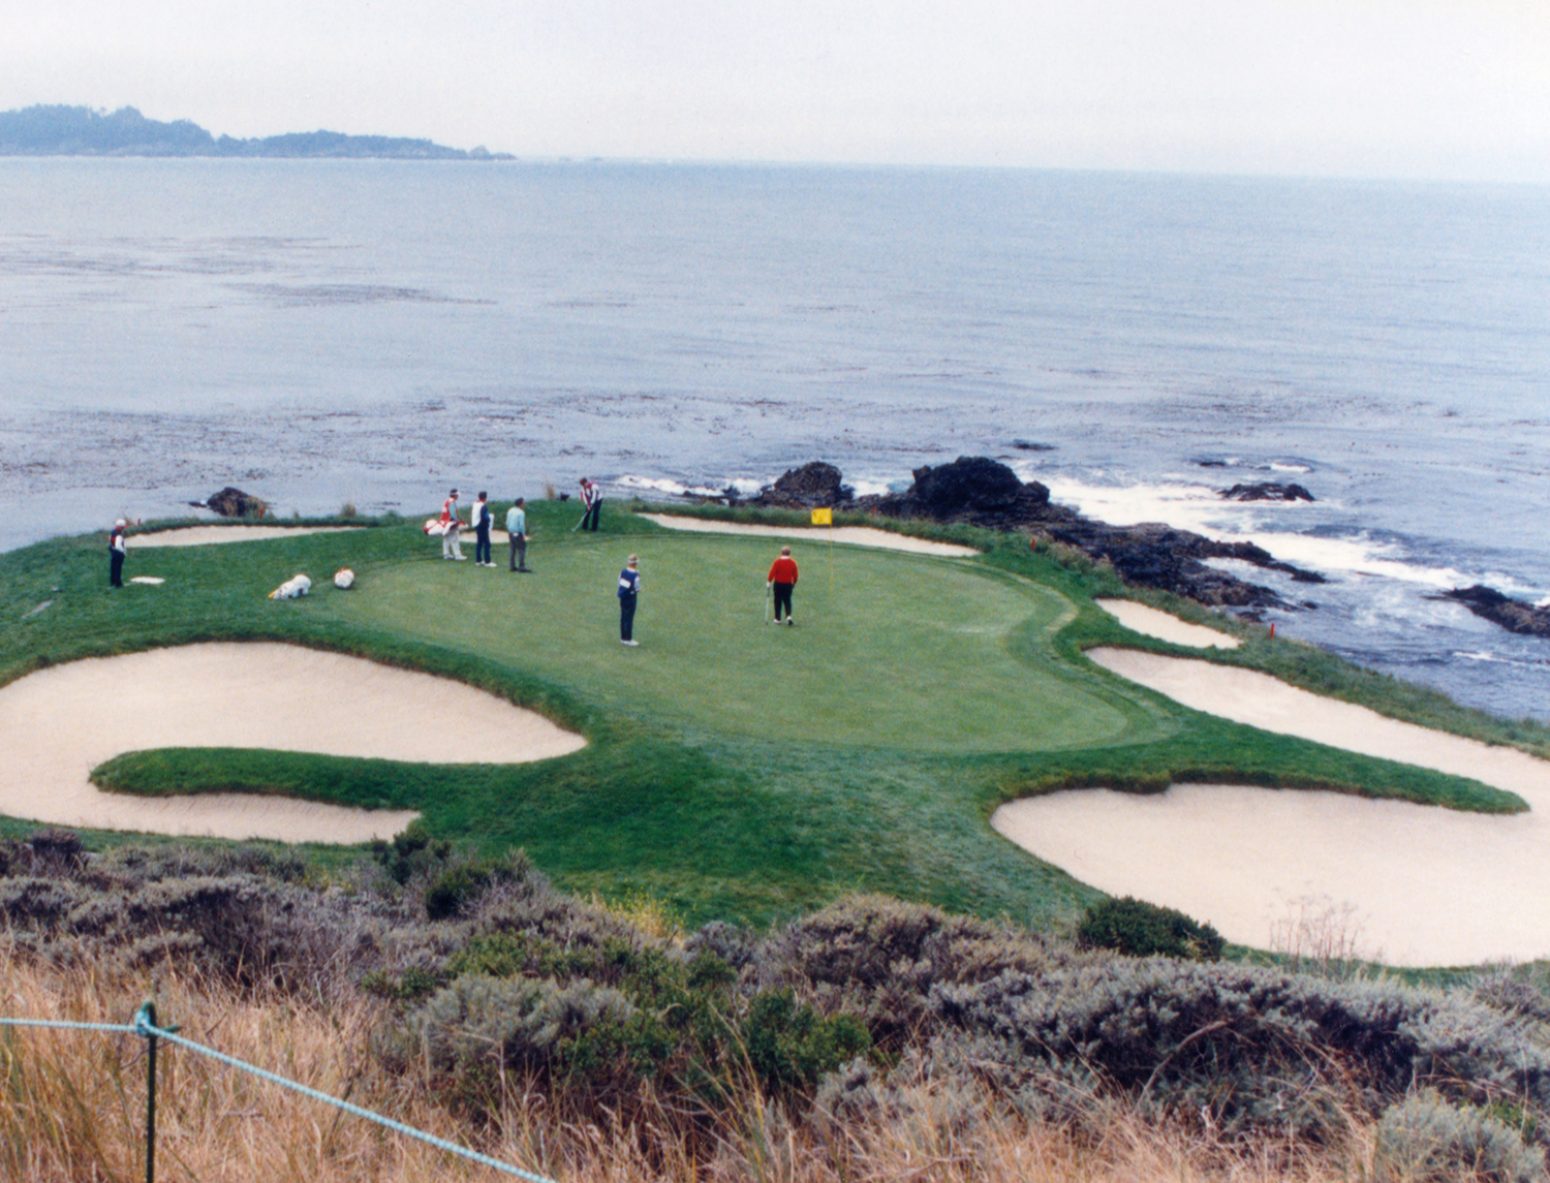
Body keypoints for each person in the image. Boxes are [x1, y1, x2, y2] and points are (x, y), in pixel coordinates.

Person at [767, 545, 798, 626]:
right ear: (789, 553)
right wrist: (794, 582)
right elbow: (795, 575)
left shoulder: (777, 562)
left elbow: (772, 572)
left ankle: (777, 619)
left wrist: (769, 581)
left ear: (781, 553)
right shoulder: (792, 563)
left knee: (778, 601)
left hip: (778, 584)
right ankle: (788, 616)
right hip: (788, 584)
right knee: (787, 600)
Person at [617, 553, 641, 646]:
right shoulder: (636, 574)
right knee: (629, 618)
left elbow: (619, 582)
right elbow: (637, 587)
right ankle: (628, 639)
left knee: (623, 617)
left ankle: (623, 637)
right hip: (631, 597)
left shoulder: (622, 571)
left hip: (623, 597)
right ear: (635, 563)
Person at [440, 488, 465, 561]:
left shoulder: (446, 501)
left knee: (446, 539)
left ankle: (446, 554)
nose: (458, 497)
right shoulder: (452, 502)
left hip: (444, 523)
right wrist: (457, 522)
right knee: (455, 538)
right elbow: (453, 515)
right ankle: (457, 555)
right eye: (457, 495)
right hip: (450, 523)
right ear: (455, 495)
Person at [506, 497, 530, 572]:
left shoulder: (510, 510)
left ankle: (512, 566)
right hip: (518, 533)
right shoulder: (521, 513)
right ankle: (521, 566)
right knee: (521, 549)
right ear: (521, 504)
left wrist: (509, 531)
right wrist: (523, 534)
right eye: (523, 503)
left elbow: (507, 522)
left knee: (512, 549)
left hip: (511, 532)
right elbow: (521, 525)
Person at [471, 491, 494, 567]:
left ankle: (478, 560)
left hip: (476, 525)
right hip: (482, 526)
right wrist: (489, 521)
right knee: (487, 544)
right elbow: (485, 517)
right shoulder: (483, 506)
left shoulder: (475, 504)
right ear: (485, 498)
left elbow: (477, 502)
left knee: (479, 543)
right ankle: (488, 562)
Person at [108, 518, 127, 588]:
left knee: (113, 567)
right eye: (123, 527)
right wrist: (123, 552)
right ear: (121, 527)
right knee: (118, 568)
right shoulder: (119, 534)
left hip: (113, 551)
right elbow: (118, 545)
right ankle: (118, 584)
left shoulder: (112, 532)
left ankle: (112, 582)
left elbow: (110, 540)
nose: (123, 529)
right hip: (118, 553)